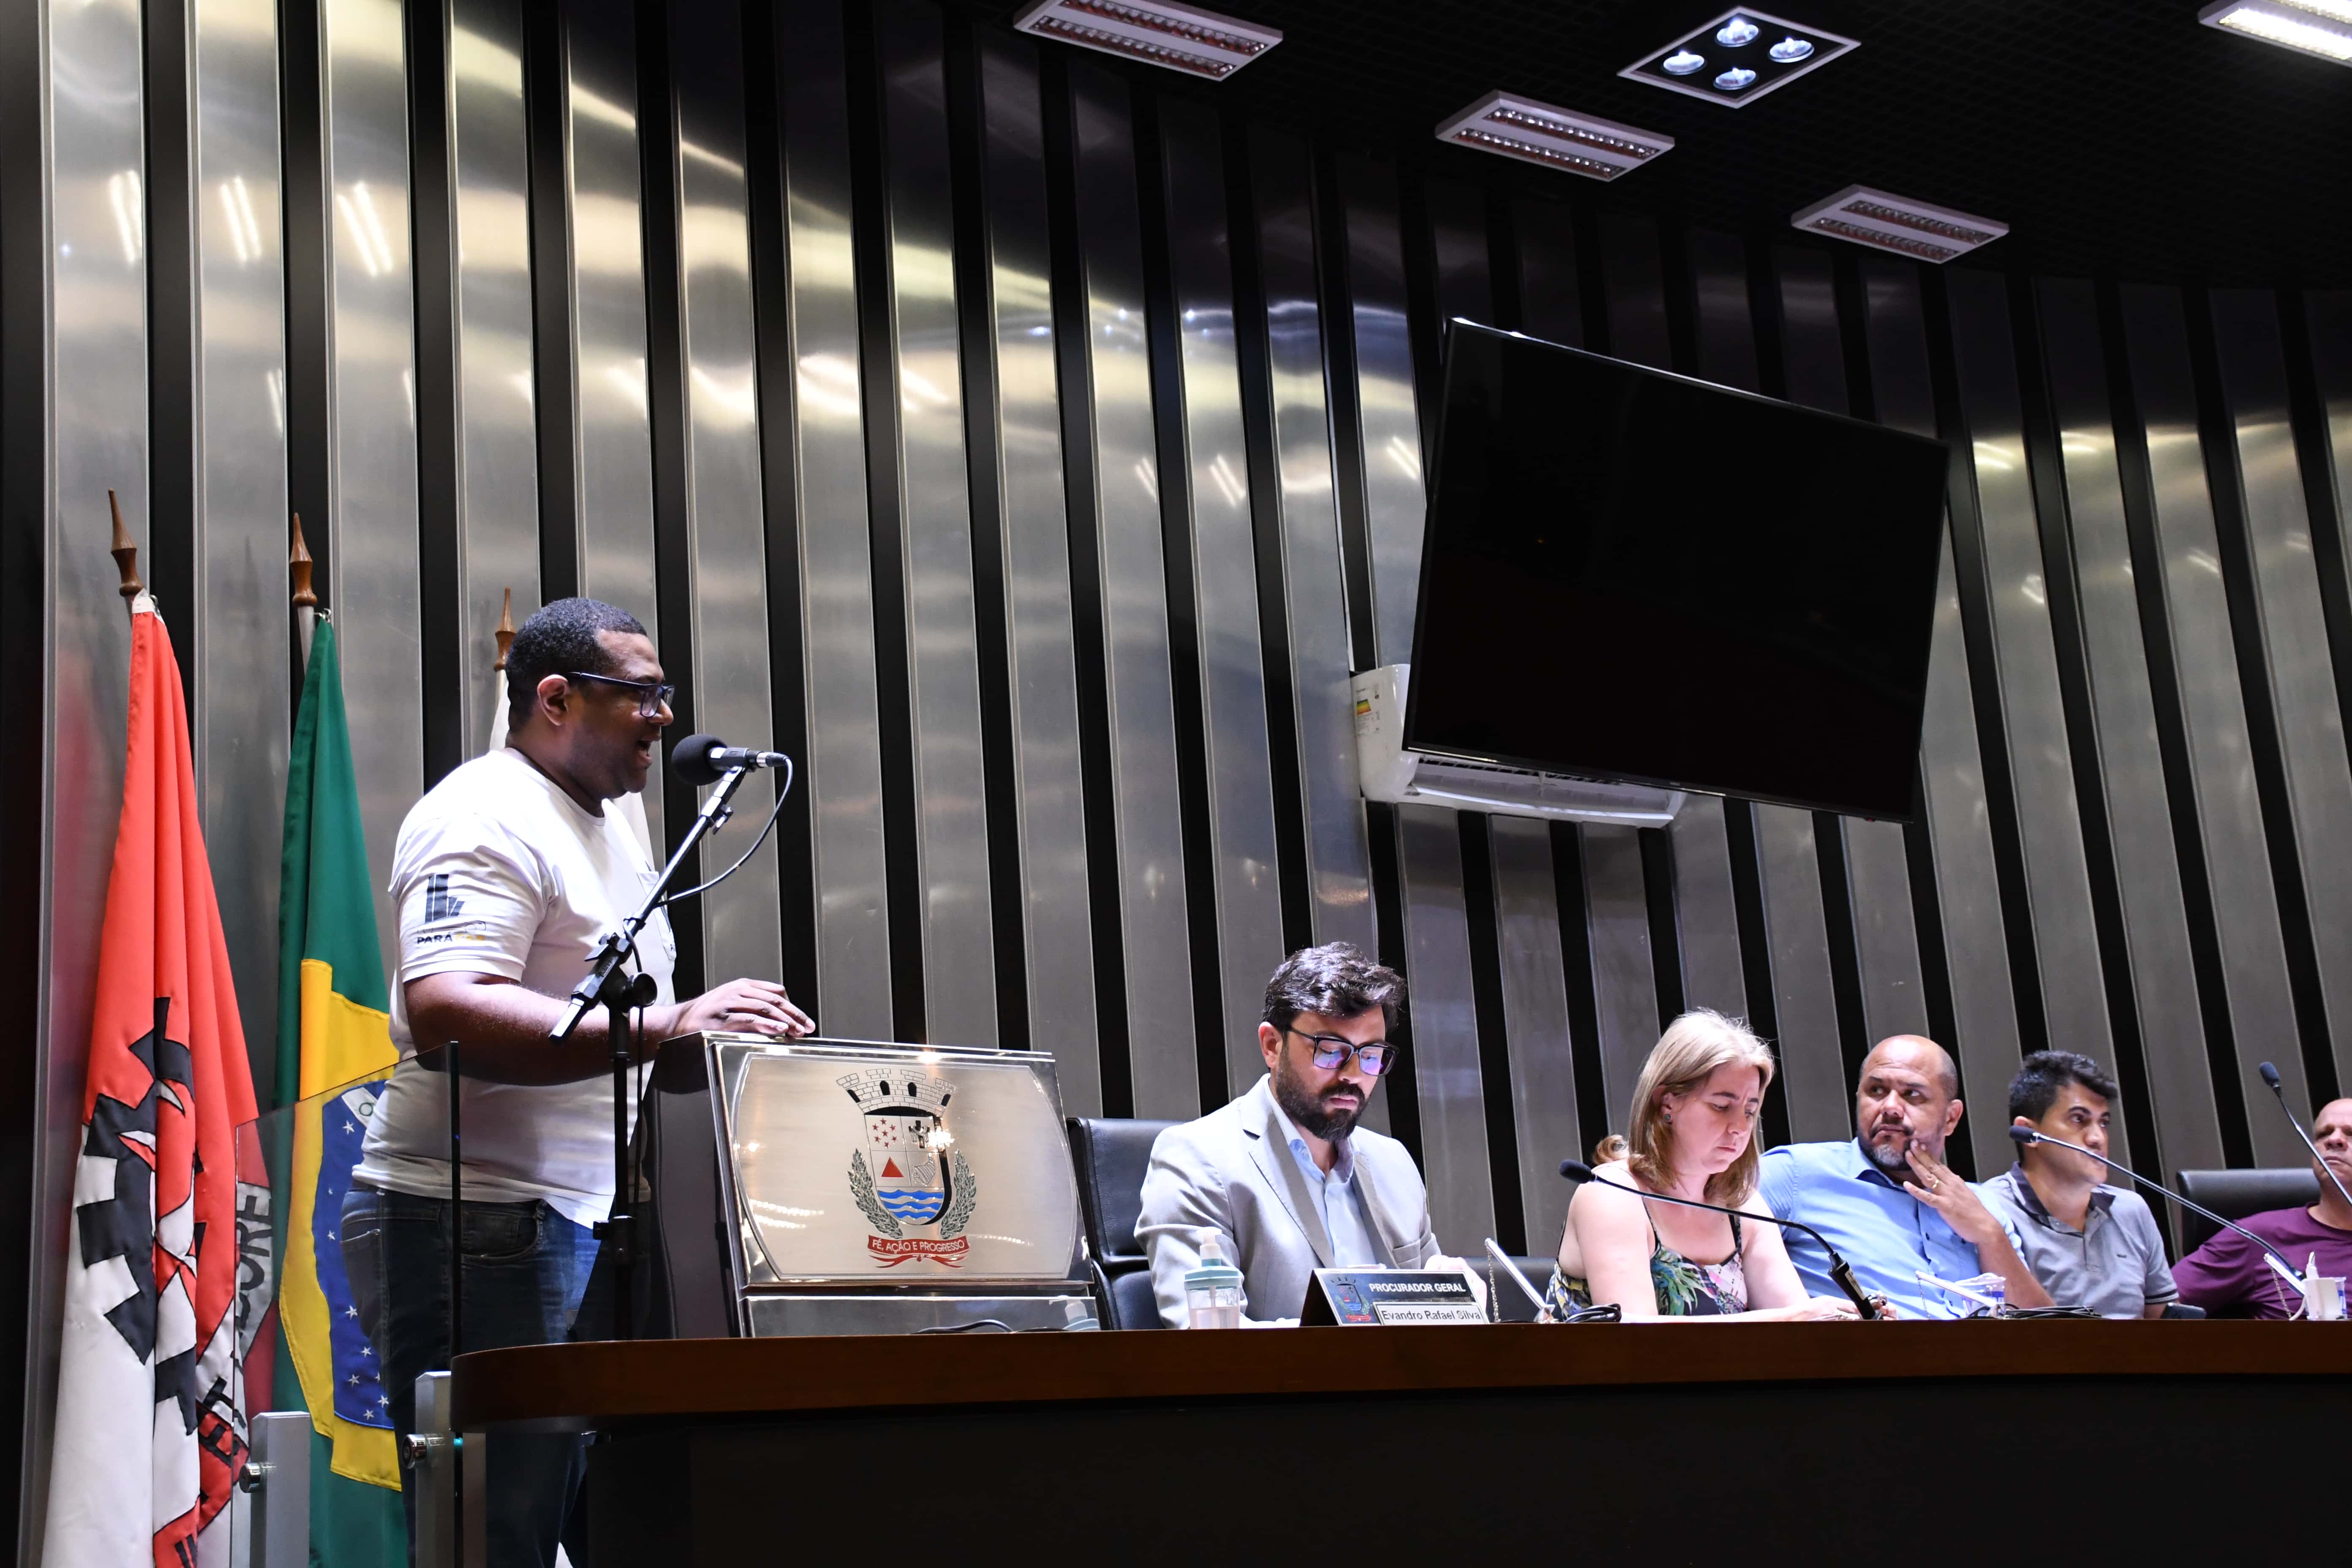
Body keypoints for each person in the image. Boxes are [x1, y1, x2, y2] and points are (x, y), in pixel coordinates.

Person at [340, 598, 814, 1567]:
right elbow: (445, 1010)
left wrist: (696, 1045)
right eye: (640, 694)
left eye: (665, 694)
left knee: (601, 1523)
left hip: (583, 1221)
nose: (664, 717)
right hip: (472, 1223)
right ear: (555, 699)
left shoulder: (607, 824)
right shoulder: (486, 814)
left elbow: (611, 1023)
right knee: (494, 1536)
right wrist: (670, 1023)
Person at [1137, 942, 1443, 1326]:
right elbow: (1210, 1337)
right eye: (1331, 1050)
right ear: (1272, 1046)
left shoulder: (1393, 1162)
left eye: (1370, 1055)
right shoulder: (1195, 1159)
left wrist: (1455, 1296)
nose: (1353, 1075)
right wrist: (1346, 1337)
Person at [1546, 1010, 1862, 1321]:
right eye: (1721, 1107)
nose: (1740, 1127)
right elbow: (1635, 1336)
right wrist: (1793, 1317)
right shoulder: (1610, 1194)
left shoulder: (1744, 1206)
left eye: (1749, 1112)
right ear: (1667, 1103)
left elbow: (1800, 1325)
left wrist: (1850, 1322)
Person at [1760, 1035, 2052, 1318]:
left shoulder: (1984, 1205)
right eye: (1876, 1090)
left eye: (1912, 1094)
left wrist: (1990, 1236)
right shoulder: (1796, 1174)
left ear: (1951, 1118)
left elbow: (2046, 1331)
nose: (1890, 1108)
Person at [1977, 1052, 2176, 1318]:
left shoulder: (2131, 1210)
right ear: (2029, 1134)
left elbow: (2167, 1329)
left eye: (2103, 1123)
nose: (2097, 1138)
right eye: (2079, 1119)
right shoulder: (1988, 1211)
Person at [2173, 1097, 2352, 1318]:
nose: (2334, 1140)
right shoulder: (2258, 1238)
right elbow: (2159, 1307)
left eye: (2350, 1134)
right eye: (2324, 1134)